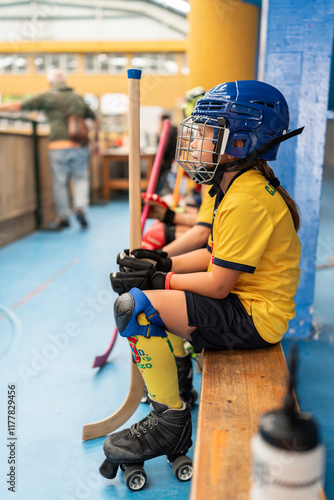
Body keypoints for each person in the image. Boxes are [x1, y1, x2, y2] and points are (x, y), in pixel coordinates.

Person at [101, 81, 302, 476]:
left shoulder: (247, 197)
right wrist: (161, 261)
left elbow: (216, 284)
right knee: (150, 297)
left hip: (254, 319)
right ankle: (175, 394)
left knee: (137, 307)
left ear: (242, 142)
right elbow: (214, 253)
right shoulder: (235, 185)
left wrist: (161, 279)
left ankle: (169, 424)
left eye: (210, 133)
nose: (198, 142)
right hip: (244, 307)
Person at [0, 68, 98, 230]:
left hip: (58, 146)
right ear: (65, 81)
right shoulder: (78, 98)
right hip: (80, 145)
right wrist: (96, 141)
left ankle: (64, 216)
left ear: (50, 83)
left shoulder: (48, 96)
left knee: (60, 183)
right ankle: (80, 207)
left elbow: (20, 105)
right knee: (80, 179)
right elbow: (95, 118)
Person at [155, 114, 178, 196]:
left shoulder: (168, 130)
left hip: (167, 161)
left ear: (162, 121)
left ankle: (157, 193)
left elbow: (165, 148)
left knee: (158, 175)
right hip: (171, 159)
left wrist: (157, 135)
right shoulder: (173, 129)